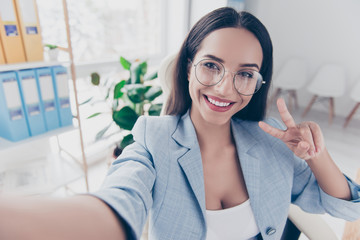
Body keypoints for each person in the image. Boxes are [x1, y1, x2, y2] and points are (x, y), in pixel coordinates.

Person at [0, 6, 360, 240]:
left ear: (258, 83)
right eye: (211, 65)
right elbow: (116, 204)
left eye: (245, 74)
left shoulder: (270, 143)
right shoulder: (152, 139)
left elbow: (345, 208)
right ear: (188, 66)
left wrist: (316, 156)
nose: (224, 88)